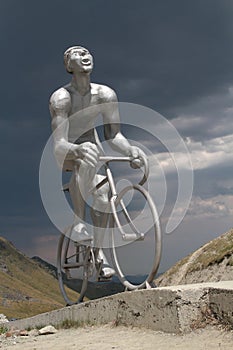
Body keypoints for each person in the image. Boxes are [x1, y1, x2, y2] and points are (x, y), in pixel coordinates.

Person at [49, 45, 146, 278]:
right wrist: (78, 149)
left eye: (87, 52)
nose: (84, 55)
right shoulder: (61, 98)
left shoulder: (105, 94)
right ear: (68, 66)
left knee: (103, 197)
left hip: (92, 148)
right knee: (89, 154)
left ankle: (99, 256)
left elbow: (114, 136)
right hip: (67, 150)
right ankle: (78, 222)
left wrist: (131, 149)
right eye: (76, 53)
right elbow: (58, 143)